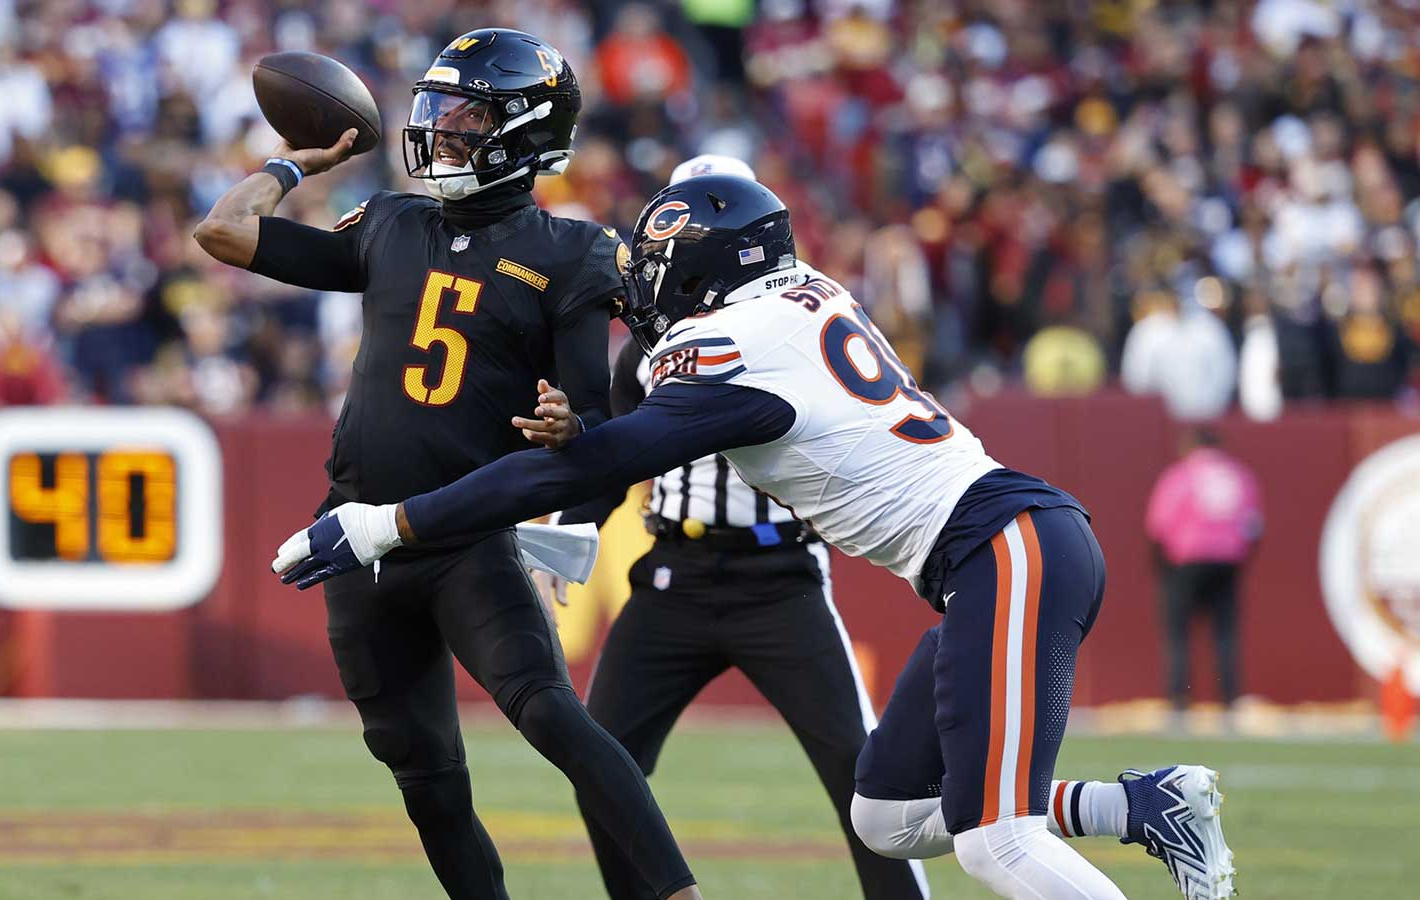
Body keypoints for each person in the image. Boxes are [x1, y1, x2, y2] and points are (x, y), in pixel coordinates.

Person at [273, 176, 1239, 900]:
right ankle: (1140, 807)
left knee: (997, 840)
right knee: (886, 815)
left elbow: (584, 468)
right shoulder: (803, 293)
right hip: (990, 559)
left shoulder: (730, 348)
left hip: (1004, 546)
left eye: (660, 274)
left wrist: (389, 521)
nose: (644, 295)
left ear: (704, 271)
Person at [196, 29, 702, 900]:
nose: (443, 128)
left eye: (468, 115)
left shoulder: (570, 251)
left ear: (524, 131)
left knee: (553, 717)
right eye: (440, 109)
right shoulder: (392, 223)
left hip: (465, 537)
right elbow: (223, 232)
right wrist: (291, 165)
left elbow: (594, 413)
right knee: (426, 780)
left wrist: (567, 425)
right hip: (356, 539)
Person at [545, 157, 929, 900]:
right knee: (602, 764)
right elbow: (611, 461)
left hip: (781, 581)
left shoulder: (798, 323)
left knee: (863, 778)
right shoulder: (649, 350)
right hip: (673, 576)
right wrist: (565, 536)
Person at [1145, 428, 1263, 714]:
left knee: (1178, 632)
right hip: (1228, 560)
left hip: (1186, 560)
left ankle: (1179, 699)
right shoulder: (1239, 476)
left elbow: (1159, 525)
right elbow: (1254, 526)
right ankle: (1229, 698)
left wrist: (1160, 566)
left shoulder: (1181, 475)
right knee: (1225, 632)